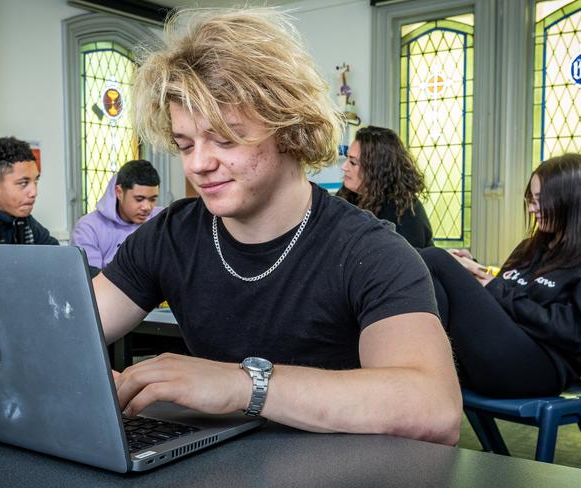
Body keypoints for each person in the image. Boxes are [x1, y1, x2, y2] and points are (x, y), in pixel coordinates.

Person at [93, 8, 461, 444]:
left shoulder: (371, 252)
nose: (198, 164)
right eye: (185, 144)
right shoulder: (169, 236)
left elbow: (434, 408)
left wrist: (243, 385)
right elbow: (66, 329)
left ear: (290, 130)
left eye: (226, 138)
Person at [420, 153, 581, 398]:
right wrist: (475, 270)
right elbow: (502, 295)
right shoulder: (530, 248)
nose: (531, 208)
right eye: (530, 199)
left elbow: (571, 332)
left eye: (539, 200)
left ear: (568, 202)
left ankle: (417, 379)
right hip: (501, 350)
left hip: (539, 366)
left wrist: (494, 287)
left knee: (435, 259)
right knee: (439, 282)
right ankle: (422, 385)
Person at [336, 126, 433, 248]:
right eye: (347, 158)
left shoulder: (404, 212)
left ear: (376, 169)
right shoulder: (347, 197)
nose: (344, 167)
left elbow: (404, 264)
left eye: (353, 162)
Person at [71, 159, 164, 276]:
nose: (147, 207)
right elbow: (91, 280)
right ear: (119, 192)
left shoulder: (161, 220)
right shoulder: (89, 228)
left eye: (153, 199)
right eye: (139, 199)